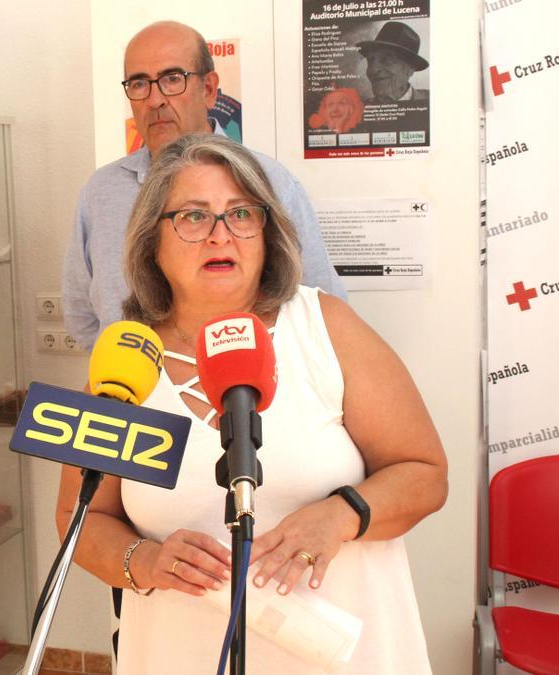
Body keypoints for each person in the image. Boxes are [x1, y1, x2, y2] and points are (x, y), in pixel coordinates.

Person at [54, 133, 447, 672]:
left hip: (338, 655)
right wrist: (143, 561)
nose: (221, 235)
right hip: (178, 652)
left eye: (241, 214)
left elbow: (424, 474)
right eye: (193, 217)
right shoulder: (128, 357)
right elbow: (82, 519)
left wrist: (340, 516)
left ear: (266, 233)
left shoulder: (324, 326)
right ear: (152, 242)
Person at [63, 20, 346, 349]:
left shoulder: (270, 182)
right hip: (130, 394)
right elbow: (82, 317)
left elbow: (322, 305)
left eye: (172, 79)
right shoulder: (101, 192)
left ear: (209, 88)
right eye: (139, 84)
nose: (155, 100)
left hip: (252, 394)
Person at [358, 21, 430, 103]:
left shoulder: (435, 102)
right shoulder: (361, 109)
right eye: (370, 61)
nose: (373, 69)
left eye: (386, 59)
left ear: (410, 69)